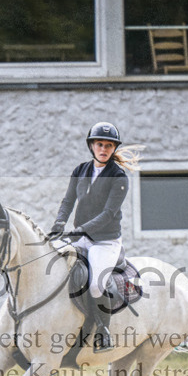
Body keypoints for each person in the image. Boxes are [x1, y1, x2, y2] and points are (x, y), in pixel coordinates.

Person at [48, 121, 141, 353]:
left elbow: (108, 214)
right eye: (100, 144)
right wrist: (60, 222)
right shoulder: (80, 170)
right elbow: (68, 201)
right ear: (92, 145)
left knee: (97, 285)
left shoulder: (119, 177)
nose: (104, 149)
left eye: (109, 145)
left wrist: (80, 230)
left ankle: (103, 331)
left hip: (105, 241)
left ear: (113, 149)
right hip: (80, 236)